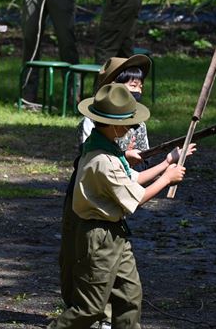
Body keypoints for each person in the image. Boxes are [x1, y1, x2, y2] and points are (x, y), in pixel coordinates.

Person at [49, 83, 195, 329]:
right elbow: (136, 198)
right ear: (114, 125)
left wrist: (167, 161)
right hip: (98, 238)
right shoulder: (104, 161)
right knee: (90, 308)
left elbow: (132, 178)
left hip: (116, 234)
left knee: (129, 296)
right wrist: (167, 178)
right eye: (129, 122)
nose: (132, 128)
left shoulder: (102, 147)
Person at [62, 54, 151, 329]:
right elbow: (111, 168)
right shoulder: (99, 148)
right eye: (129, 84)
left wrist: (167, 163)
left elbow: (131, 171)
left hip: (114, 219)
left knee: (129, 293)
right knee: (88, 299)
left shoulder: (126, 125)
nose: (136, 89)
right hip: (92, 207)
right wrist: (164, 174)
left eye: (139, 84)